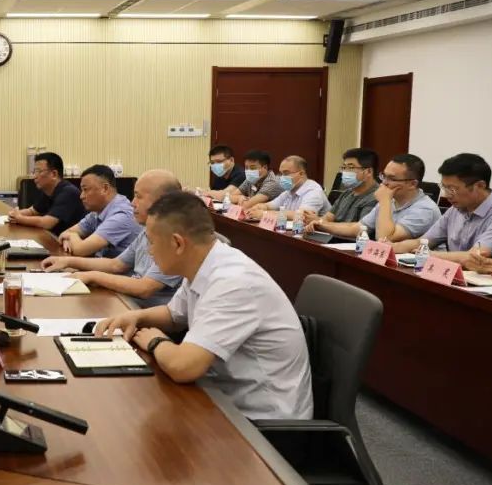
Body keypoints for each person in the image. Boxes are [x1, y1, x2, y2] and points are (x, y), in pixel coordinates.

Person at [94, 191, 313, 420]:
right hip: (224, 397)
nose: (149, 251)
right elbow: (174, 315)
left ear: (178, 243)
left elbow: (183, 366)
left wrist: (156, 341)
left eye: (152, 242)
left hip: (262, 422)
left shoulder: (233, 282)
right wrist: (137, 317)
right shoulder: (203, 262)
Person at [40, 170, 182, 306]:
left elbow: (144, 288)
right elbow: (116, 265)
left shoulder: (173, 239)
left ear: (162, 201)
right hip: (128, 302)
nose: (132, 203)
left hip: (146, 312)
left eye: (138, 197)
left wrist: (93, 276)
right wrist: (67, 261)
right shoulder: (146, 231)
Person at [390, 153, 492, 265]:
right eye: (444, 187)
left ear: (480, 186)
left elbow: (474, 257)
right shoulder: (455, 209)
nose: (446, 195)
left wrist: (428, 255)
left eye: (452, 189)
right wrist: (392, 247)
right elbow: (423, 242)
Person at [313, 153, 441, 242]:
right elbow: (358, 228)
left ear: (412, 184)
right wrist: (321, 225)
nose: (384, 182)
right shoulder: (390, 199)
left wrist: (385, 201)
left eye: (391, 178)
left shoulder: (425, 209)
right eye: (384, 176)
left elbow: (384, 239)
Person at [57, 165, 139, 258]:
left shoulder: (121, 215)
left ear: (105, 188)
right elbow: (67, 232)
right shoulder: (97, 212)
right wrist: (68, 236)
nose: (81, 196)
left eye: (85, 190)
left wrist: (71, 236)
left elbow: (80, 250)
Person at [8, 151, 85, 235]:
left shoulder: (68, 192)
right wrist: (14, 214)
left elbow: (47, 223)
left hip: (69, 240)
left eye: (39, 171)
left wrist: (19, 218)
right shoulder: (48, 190)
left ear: (54, 174)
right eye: (34, 172)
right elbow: (32, 211)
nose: (34, 176)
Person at [302, 148, 379, 229]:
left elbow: (360, 229)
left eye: (351, 167)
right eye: (344, 167)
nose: (345, 172)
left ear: (369, 172)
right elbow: (328, 217)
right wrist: (315, 220)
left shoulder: (376, 196)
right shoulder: (347, 193)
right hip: (331, 235)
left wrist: (321, 223)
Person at [246, 155, 331, 220]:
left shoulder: (314, 191)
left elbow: (301, 216)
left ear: (301, 174)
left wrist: (264, 214)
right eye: (281, 173)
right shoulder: (289, 191)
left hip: (319, 236)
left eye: (286, 173)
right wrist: (259, 207)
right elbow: (269, 205)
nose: (282, 177)